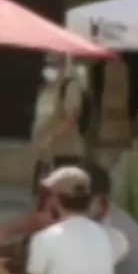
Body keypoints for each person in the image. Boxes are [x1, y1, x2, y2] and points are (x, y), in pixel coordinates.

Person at [30, 56, 88, 186]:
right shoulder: (45, 89)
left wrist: (51, 137)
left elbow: (71, 118)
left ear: (63, 66)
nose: (49, 68)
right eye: (47, 64)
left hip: (65, 155)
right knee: (43, 199)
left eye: (54, 64)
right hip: (44, 156)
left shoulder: (69, 87)